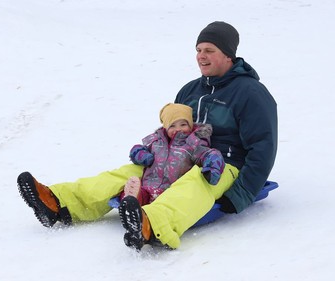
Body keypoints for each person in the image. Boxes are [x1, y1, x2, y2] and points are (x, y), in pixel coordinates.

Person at [17, 21, 277, 251]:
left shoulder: (250, 93)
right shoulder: (190, 91)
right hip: (181, 155)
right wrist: (153, 153)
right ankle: (59, 202)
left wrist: (240, 194)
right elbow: (169, 129)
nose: (201, 56)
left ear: (229, 55)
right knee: (128, 172)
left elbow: (263, 147)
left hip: (223, 165)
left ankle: (152, 224)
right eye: (198, 50)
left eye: (209, 50)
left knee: (197, 182)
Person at [120, 103, 225, 206]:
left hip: (174, 191)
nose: (178, 129)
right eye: (172, 125)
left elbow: (211, 154)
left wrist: (212, 169)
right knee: (140, 194)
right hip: (150, 186)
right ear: (165, 127)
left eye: (183, 124)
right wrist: (142, 155)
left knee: (166, 202)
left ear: (191, 125)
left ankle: (140, 207)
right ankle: (131, 201)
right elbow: (137, 149)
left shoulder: (193, 144)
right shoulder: (156, 141)